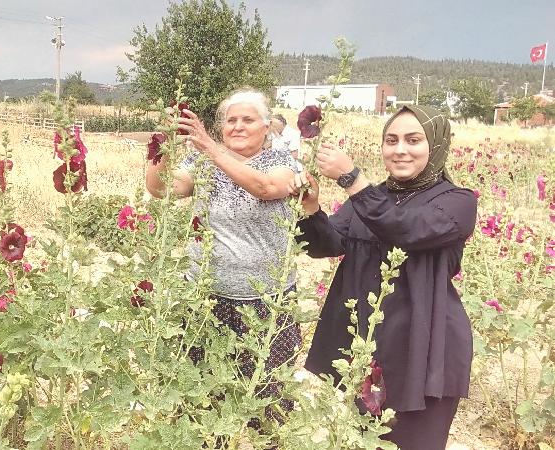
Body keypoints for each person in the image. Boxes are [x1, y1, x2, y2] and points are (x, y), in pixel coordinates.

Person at [290, 105, 477, 449]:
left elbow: (405, 229)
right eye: (391, 140)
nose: (400, 149)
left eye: (413, 139)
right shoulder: (373, 197)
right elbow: (328, 243)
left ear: (435, 144)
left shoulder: (457, 202)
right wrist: (311, 208)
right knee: (365, 441)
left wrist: (352, 180)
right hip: (368, 346)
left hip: (424, 346)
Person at [145, 88, 302, 419]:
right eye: (231, 120)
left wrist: (212, 149)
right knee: (204, 403)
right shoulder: (200, 162)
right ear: (221, 127)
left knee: (268, 403)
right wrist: (163, 146)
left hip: (266, 305)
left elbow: (266, 188)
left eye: (248, 119)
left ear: (266, 126)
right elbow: (161, 189)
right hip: (206, 299)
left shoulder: (280, 161)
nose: (238, 126)